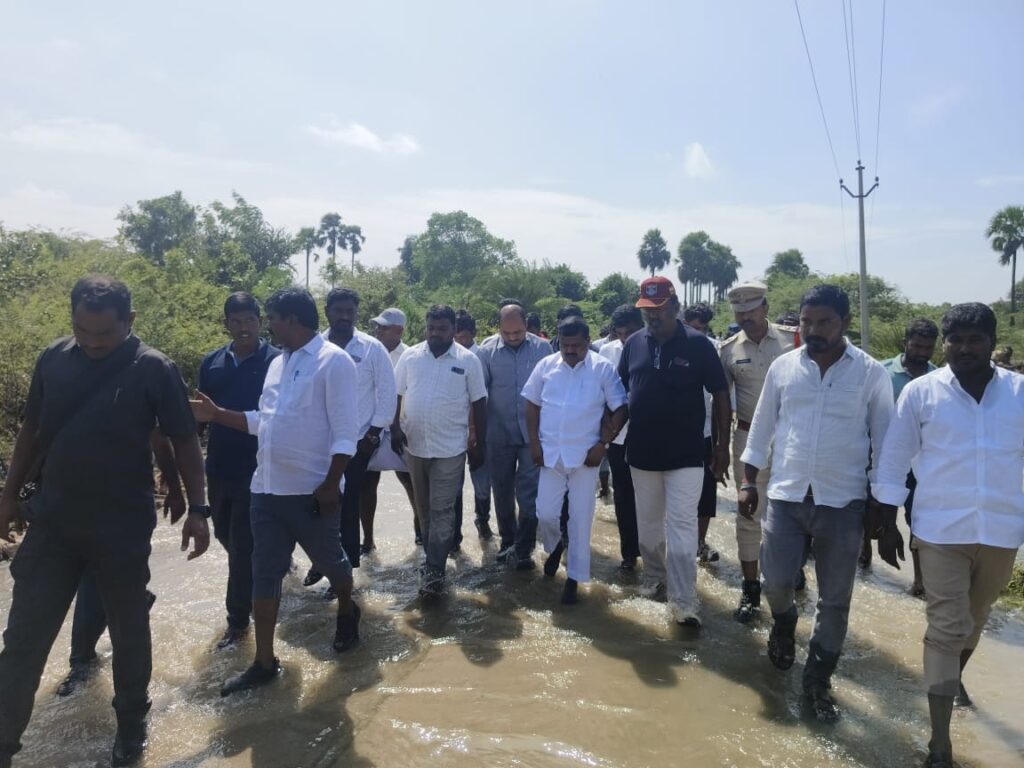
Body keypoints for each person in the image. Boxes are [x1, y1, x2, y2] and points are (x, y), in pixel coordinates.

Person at [0, 276, 210, 767]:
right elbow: (32, 428)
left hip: (120, 526)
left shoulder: (155, 370)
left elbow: (182, 440)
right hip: (53, 523)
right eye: (83, 331)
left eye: (105, 335)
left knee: (129, 629)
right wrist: (8, 497)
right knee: (23, 638)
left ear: (130, 322)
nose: (93, 343)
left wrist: (197, 509)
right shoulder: (53, 358)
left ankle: (132, 727)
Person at [872, 303, 1024, 768]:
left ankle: (946, 679)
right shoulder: (922, 393)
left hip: (1001, 529)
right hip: (939, 529)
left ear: (991, 342)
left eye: (973, 339)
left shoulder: (1019, 393)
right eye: (953, 340)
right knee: (945, 627)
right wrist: (885, 523)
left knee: (974, 621)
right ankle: (940, 743)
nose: (962, 348)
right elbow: (895, 456)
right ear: (944, 344)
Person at [191, 288, 362, 697]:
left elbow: (345, 433)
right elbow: (261, 422)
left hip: (310, 492)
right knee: (262, 574)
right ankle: (264, 662)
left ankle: (346, 604)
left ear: (292, 320)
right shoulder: (277, 366)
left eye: (272, 318)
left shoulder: (332, 362)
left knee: (332, 563)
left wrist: (329, 484)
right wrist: (216, 416)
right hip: (265, 489)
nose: (267, 326)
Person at [739, 284, 893, 722]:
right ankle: (784, 623)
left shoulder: (869, 373)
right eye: (807, 321)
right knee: (775, 581)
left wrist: (883, 507)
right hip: (786, 495)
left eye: (824, 322)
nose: (814, 330)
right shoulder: (785, 368)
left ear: (843, 322)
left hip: (843, 502)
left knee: (835, 601)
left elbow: (885, 442)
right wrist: (749, 481)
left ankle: (817, 681)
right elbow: (763, 427)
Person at [618, 277, 731, 628]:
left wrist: (722, 447)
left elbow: (721, 395)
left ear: (674, 306)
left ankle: (684, 602)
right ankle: (654, 578)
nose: (653, 315)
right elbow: (622, 391)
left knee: (682, 532)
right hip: (641, 453)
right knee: (649, 530)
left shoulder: (699, 345)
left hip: (686, 455)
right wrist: (608, 431)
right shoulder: (634, 343)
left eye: (659, 309)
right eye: (646, 310)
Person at [55, 430, 179, 696]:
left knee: (102, 574)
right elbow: (42, 440)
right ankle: (84, 659)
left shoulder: (138, 389)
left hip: (127, 500)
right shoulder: (62, 391)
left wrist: (174, 483)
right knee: (90, 574)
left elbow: (158, 432)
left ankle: (83, 662)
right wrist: (22, 492)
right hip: (77, 497)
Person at [524, 317, 627, 604]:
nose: (570, 351)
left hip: (586, 458)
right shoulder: (546, 366)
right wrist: (534, 444)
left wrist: (604, 444)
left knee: (580, 520)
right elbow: (531, 404)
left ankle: (574, 578)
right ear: (558, 341)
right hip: (550, 453)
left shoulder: (602, 368)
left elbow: (621, 407)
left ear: (587, 341)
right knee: (545, 513)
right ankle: (555, 546)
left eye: (576, 346)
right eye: (565, 345)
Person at [198, 292, 280, 649]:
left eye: (250, 320)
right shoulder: (212, 362)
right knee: (227, 540)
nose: (243, 327)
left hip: (258, 468)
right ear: (227, 323)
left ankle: (237, 623)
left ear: (260, 322)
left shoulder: (277, 362)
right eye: (236, 321)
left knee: (242, 547)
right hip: (217, 466)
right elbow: (201, 412)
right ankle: (264, 574)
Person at [303, 288, 395, 591]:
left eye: (350, 312)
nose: (344, 316)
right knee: (313, 503)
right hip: (317, 443)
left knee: (346, 507)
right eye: (338, 310)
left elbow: (387, 394)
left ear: (356, 314)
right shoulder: (312, 346)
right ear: (327, 310)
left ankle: (343, 573)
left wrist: (372, 434)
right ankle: (320, 560)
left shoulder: (372, 348)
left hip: (356, 444)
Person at [392, 305, 488, 596]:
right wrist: (394, 427)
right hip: (415, 446)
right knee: (424, 509)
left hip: (450, 448)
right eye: (431, 328)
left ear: (453, 329)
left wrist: (478, 441)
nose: (435, 333)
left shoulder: (468, 360)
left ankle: (434, 570)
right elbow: (396, 393)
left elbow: (479, 402)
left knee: (443, 508)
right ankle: (433, 558)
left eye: (442, 329)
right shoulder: (410, 357)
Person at [719, 280, 799, 622]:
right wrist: (719, 448)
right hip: (748, 439)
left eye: (751, 312)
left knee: (795, 511)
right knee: (748, 514)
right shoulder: (728, 350)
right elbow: (722, 404)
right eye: (740, 314)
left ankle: (789, 579)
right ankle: (751, 590)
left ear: (765, 308)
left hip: (794, 442)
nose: (746, 319)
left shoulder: (794, 340)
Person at [859, 317, 938, 592]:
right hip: (880, 458)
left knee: (918, 519)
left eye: (928, 347)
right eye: (917, 346)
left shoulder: (938, 379)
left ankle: (920, 581)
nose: (922, 353)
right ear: (905, 343)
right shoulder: (882, 373)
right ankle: (864, 556)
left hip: (920, 464)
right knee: (872, 512)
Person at [476, 300, 553, 570]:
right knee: (503, 492)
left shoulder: (543, 348)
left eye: (517, 333)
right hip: (498, 434)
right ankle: (508, 541)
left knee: (530, 497)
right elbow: (479, 396)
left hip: (533, 434)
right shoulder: (486, 352)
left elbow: (551, 390)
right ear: (499, 328)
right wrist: (475, 433)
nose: (511, 338)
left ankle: (524, 548)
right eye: (506, 333)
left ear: (526, 326)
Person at [361, 307, 421, 548]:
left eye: (384, 327)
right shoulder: (368, 353)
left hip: (400, 430)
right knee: (367, 485)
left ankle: (420, 527)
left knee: (410, 481)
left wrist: (397, 427)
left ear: (399, 330)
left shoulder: (409, 356)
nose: (378, 330)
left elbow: (408, 395)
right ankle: (368, 540)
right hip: (371, 428)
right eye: (377, 326)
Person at [598, 305, 645, 571]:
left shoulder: (652, 347)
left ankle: (652, 551)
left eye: (631, 330)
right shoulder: (606, 351)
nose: (625, 336)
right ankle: (629, 553)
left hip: (646, 434)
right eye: (620, 332)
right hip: (617, 436)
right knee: (623, 495)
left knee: (649, 495)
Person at [682, 302, 723, 565]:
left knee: (707, 493)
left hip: (707, 433)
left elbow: (722, 400)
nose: (701, 333)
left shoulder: (714, 350)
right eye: (695, 328)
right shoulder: (670, 347)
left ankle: (698, 542)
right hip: (677, 435)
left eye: (704, 328)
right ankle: (679, 544)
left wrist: (721, 445)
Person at [453, 309, 493, 548]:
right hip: (454, 431)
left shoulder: (484, 357)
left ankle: (483, 520)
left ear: (474, 334)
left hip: (480, 430)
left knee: (482, 483)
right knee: (453, 485)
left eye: (464, 337)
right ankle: (455, 535)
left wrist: (478, 432)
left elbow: (485, 399)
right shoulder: (448, 356)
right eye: (456, 337)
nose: (460, 342)